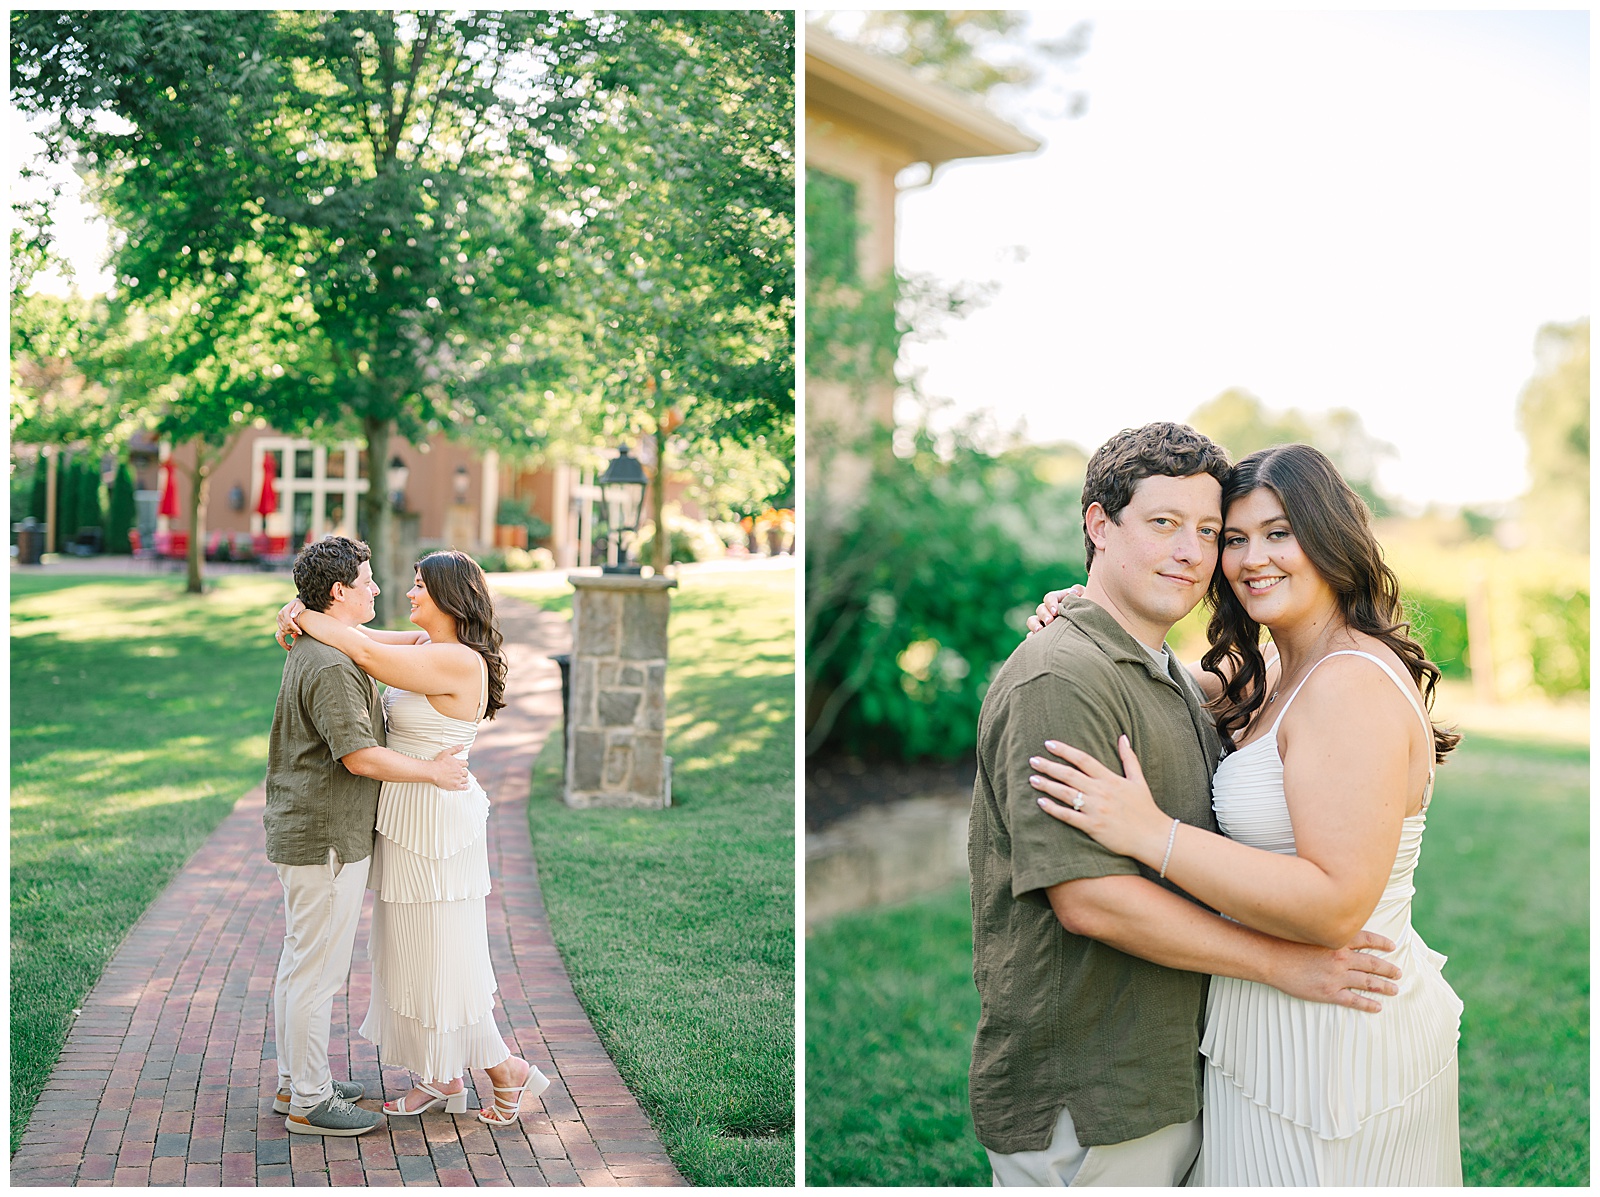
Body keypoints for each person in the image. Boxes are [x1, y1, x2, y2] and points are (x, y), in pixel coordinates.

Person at [970, 423, 1406, 1187]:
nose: (1194, 552)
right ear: (1099, 526)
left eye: (1209, 531)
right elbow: (1092, 901)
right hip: (1096, 1090)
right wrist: (1283, 966)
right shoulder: (1062, 678)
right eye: (1165, 523)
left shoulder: (1172, 673)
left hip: (1194, 1062)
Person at [277, 548, 550, 1128]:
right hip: (403, 819)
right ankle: (442, 1077)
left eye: (420, 585)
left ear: (449, 597)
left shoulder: (457, 662)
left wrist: (303, 611)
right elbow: (360, 633)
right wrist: (299, 606)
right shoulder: (427, 646)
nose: (407, 593)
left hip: (437, 827)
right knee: (410, 955)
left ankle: (506, 1071)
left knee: (444, 955)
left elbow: (365, 649)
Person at [265, 536, 472, 1137]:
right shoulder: (332, 665)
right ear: (339, 592)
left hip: (314, 830)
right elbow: (358, 756)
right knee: (317, 971)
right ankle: (308, 1098)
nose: (378, 589)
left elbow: (407, 644)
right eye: (367, 580)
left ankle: (296, 1080)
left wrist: (299, 615)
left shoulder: (327, 646)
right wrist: (434, 772)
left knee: (301, 962)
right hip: (326, 835)